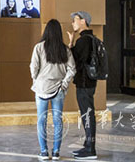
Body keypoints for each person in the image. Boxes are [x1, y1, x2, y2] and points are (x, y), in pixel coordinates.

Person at [31, 19, 76, 160]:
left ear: (47, 31)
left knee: (41, 121)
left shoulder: (39, 47)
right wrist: (64, 84)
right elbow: (72, 69)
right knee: (58, 122)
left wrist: (36, 80)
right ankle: (56, 152)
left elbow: (33, 68)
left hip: (41, 88)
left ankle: (44, 152)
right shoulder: (65, 49)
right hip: (59, 89)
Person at [67, 11, 98, 160]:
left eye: (75, 20)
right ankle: (88, 145)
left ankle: (90, 149)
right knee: (87, 113)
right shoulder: (90, 39)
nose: (73, 23)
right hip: (88, 82)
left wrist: (71, 45)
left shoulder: (84, 41)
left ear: (83, 21)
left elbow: (74, 62)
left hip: (84, 83)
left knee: (87, 114)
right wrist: (72, 42)